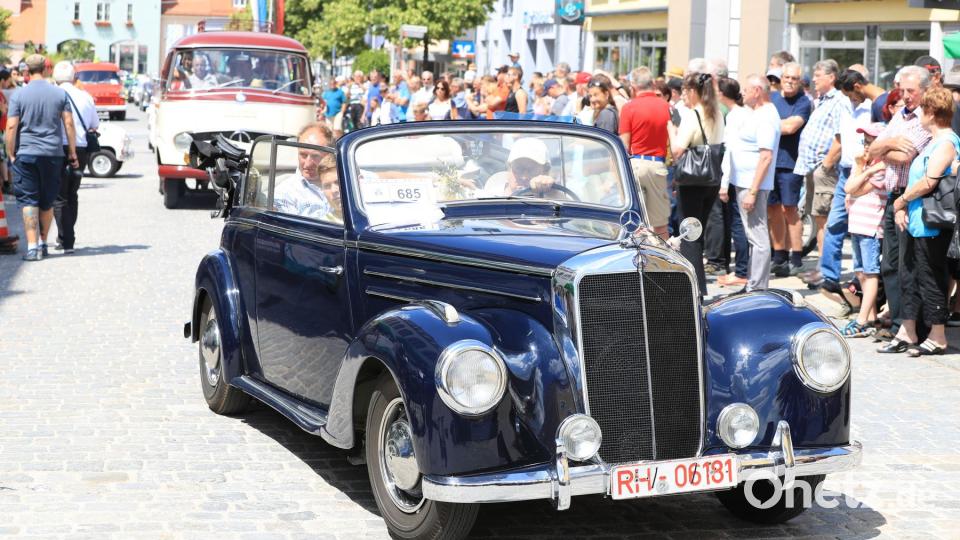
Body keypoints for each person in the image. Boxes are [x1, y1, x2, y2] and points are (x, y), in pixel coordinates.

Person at [882, 87, 957, 356]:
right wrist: (902, 207)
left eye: (923, 108)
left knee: (931, 277)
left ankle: (937, 336)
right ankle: (908, 329)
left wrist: (901, 201)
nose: (918, 113)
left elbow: (929, 181)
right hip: (916, 220)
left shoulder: (947, 142)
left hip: (932, 223)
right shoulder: (932, 141)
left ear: (932, 112)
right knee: (909, 275)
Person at [870, 65, 932, 341]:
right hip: (892, 195)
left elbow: (908, 156)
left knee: (909, 265)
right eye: (902, 91)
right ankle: (897, 324)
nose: (906, 96)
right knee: (890, 264)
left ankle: (912, 327)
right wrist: (890, 143)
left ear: (925, 90)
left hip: (911, 197)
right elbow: (872, 149)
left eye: (911, 91)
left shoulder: (925, 116)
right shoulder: (900, 115)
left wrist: (884, 148)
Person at [4, 54, 78, 261]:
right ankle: (44, 242)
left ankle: (32, 247)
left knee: (29, 200)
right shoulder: (60, 94)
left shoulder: (19, 95)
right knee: (47, 201)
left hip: (26, 153)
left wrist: (10, 152)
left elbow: (11, 126)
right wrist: (72, 152)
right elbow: (69, 124)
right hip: (52, 153)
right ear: (46, 69)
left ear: (27, 70)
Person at [819, 68, 875, 308]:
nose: (850, 99)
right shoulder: (845, 106)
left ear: (858, 86)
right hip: (845, 172)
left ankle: (859, 280)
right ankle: (829, 278)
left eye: (851, 95)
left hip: (862, 172)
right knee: (834, 223)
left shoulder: (872, 107)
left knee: (860, 229)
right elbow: (841, 138)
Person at [719, 74, 780, 292]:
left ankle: (757, 287)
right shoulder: (758, 113)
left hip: (752, 185)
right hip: (745, 183)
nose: (742, 93)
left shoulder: (766, 116)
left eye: (746, 89)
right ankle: (754, 284)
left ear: (757, 91)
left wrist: (753, 191)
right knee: (754, 236)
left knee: (758, 236)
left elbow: (766, 156)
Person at [793, 60, 846, 287]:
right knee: (818, 219)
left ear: (831, 77)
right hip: (813, 168)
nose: (813, 79)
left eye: (818, 75)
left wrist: (825, 165)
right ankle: (821, 268)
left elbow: (840, 137)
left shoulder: (838, 101)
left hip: (824, 170)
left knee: (825, 221)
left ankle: (826, 272)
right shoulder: (821, 100)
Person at [672, 72, 724, 294]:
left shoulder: (693, 115)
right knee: (700, 229)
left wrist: (670, 130)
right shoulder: (718, 113)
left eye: (686, 90)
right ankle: (698, 283)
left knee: (689, 232)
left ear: (694, 91)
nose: (685, 94)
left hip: (692, 180)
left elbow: (677, 149)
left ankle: (694, 286)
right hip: (711, 179)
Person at [841, 123, 887, 337]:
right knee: (859, 271)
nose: (867, 147)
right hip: (856, 224)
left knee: (870, 272)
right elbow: (849, 188)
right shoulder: (865, 165)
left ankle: (862, 317)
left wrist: (865, 171)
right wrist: (862, 167)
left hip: (870, 226)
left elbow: (852, 189)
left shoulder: (883, 167)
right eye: (865, 142)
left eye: (871, 142)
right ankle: (871, 316)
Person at [768, 62, 812, 277]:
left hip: (791, 163)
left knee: (790, 209)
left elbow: (790, 127)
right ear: (781, 78)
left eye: (794, 79)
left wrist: (769, 125)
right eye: (786, 77)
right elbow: (781, 125)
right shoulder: (773, 98)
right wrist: (778, 124)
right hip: (770, 162)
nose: (789, 82)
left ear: (800, 81)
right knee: (773, 209)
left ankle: (796, 256)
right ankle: (779, 256)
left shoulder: (804, 102)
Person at [619, 67, 671, 238]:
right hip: (657, 164)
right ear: (653, 84)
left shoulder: (629, 108)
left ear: (633, 87)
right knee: (660, 224)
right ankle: (663, 261)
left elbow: (624, 144)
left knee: (635, 221)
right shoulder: (667, 107)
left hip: (635, 164)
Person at [52, 61, 97, 254]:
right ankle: (68, 234)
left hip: (58, 148)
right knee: (73, 192)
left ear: (55, 78)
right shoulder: (85, 96)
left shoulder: (53, 95)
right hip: (81, 149)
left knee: (60, 195)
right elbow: (95, 123)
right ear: (73, 78)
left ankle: (65, 238)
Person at [712, 78, 749, 288]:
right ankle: (743, 269)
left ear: (723, 94)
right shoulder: (744, 113)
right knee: (743, 225)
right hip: (745, 174)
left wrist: (724, 183)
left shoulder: (735, 116)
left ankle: (742, 271)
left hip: (737, 176)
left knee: (738, 225)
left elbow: (730, 151)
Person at [273, 123, 339, 221]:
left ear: (330, 154)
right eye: (303, 155)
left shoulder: (349, 180)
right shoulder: (285, 193)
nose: (307, 164)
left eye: (315, 156)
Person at [481, 138, 558, 197]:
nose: (524, 177)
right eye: (518, 169)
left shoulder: (552, 199)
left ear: (545, 172)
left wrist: (552, 191)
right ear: (509, 169)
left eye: (531, 170)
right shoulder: (490, 196)